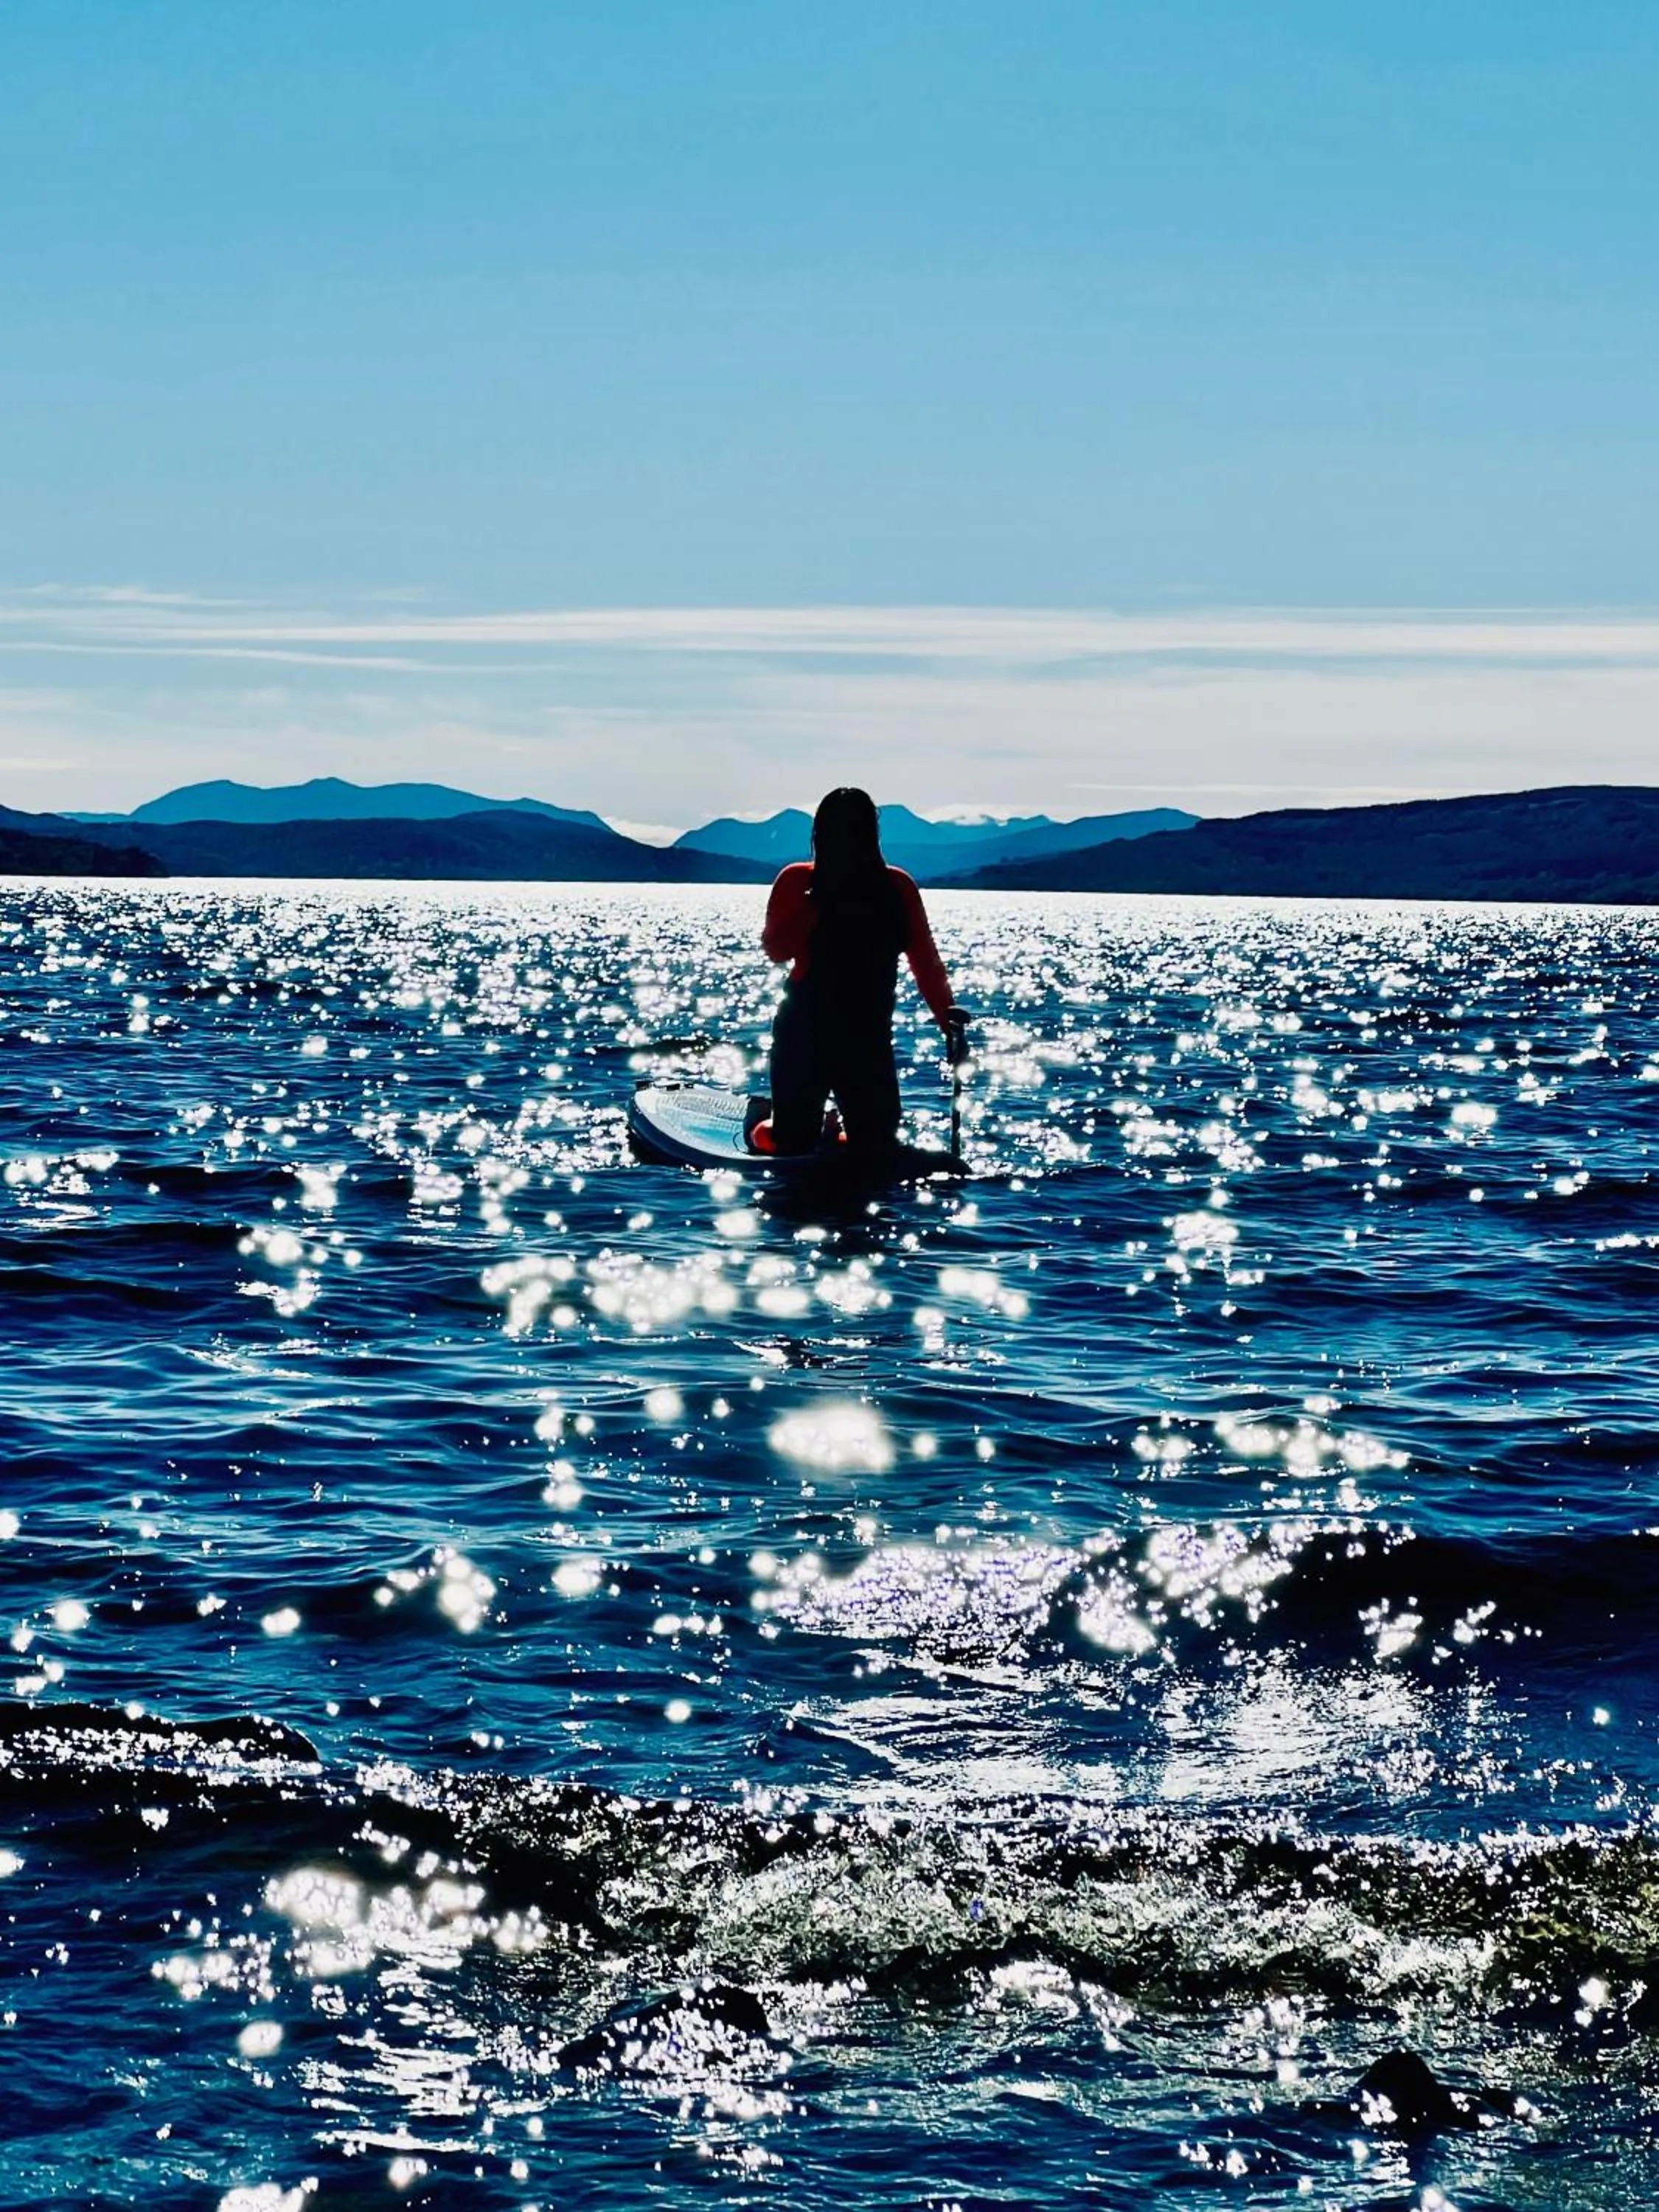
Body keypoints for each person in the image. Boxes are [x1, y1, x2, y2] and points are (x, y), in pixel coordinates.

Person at [755, 787, 965, 1156]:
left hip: (866, 1036)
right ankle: (765, 1125)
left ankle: (831, 1131)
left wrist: (950, 1025)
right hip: (804, 1032)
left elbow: (926, 964)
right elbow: (776, 951)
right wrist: (814, 907)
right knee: (791, 1143)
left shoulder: (897, 888)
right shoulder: (797, 881)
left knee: (876, 1146)